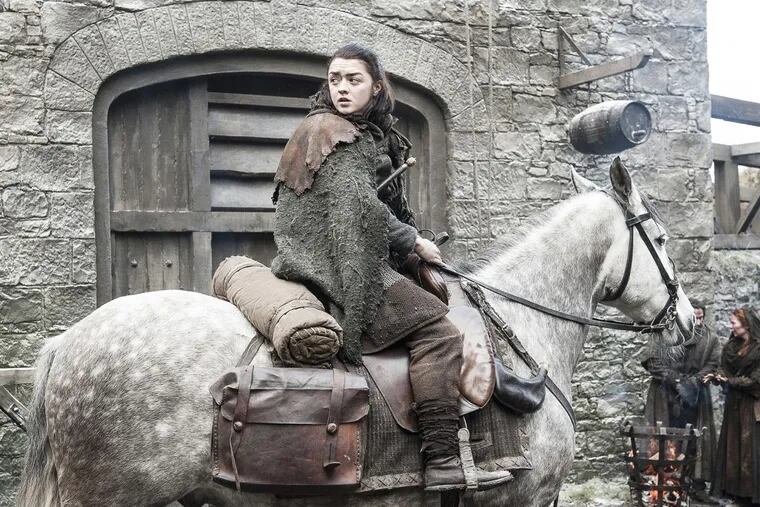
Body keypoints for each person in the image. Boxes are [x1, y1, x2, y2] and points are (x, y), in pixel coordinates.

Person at [270, 43, 512, 491]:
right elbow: (358, 206)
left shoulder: (362, 132)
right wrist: (413, 241)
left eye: (353, 79)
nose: (342, 88)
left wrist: (409, 248)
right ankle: (442, 459)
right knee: (439, 334)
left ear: (377, 87)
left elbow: (370, 205)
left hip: (342, 250)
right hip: (333, 262)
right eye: (335, 79)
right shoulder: (331, 130)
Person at [642, 298, 720, 503]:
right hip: (666, 395)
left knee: (696, 439)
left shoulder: (710, 339)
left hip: (696, 396)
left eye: (701, 318)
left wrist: (692, 382)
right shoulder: (666, 333)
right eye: (695, 318)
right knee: (667, 439)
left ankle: (696, 485)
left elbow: (712, 364)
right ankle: (667, 484)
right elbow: (653, 361)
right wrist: (675, 381)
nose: (698, 322)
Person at [710, 307, 760, 505]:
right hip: (734, 404)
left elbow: (756, 380)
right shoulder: (731, 346)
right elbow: (724, 367)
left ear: (745, 325)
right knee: (734, 447)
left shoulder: (758, 349)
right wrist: (718, 376)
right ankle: (736, 492)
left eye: (734, 323)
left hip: (751, 404)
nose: (731, 326)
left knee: (749, 448)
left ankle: (751, 494)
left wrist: (731, 381)